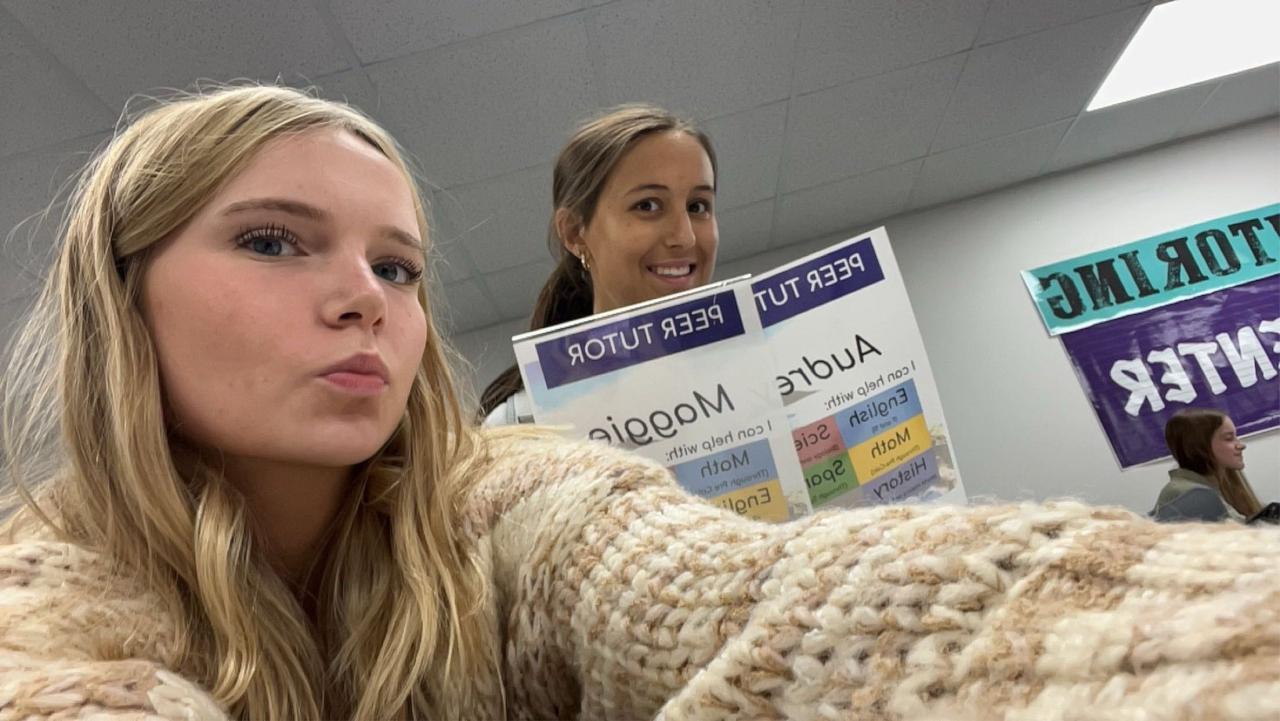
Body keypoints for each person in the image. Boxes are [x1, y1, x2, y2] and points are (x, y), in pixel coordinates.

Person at [1, 85, 1278, 721]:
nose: (362, 300)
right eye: (275, 241)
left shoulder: (502, 493)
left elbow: (733, 596)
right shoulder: (40, 595)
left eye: (396, 267)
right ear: (123, 292)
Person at [479, 104, 718, 425]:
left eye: (698, 206)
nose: (685, 237)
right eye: (647, 205)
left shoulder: (769, 381)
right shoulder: (520, 427)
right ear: (575, 232)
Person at [1152, 408, 1264, 522]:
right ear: (1198, 446)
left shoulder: (1216, 484)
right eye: (1229, 438)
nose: (1241, 445)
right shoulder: (1189, 495)